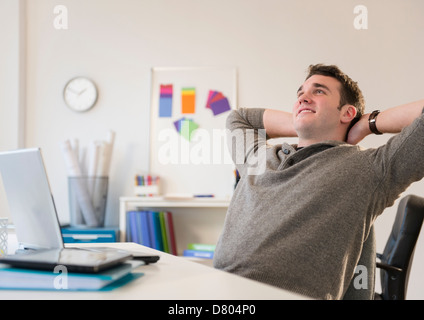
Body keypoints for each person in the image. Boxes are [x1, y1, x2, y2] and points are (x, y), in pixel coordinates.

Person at [213, 64, 424, 300]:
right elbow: (238, 119)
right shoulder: (259, 156)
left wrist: (366, 124)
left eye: (319, 91)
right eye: (300, 93)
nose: (303, 97)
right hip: (219, 291)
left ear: (347, 113)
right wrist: (301, 121)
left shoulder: (369, 169)